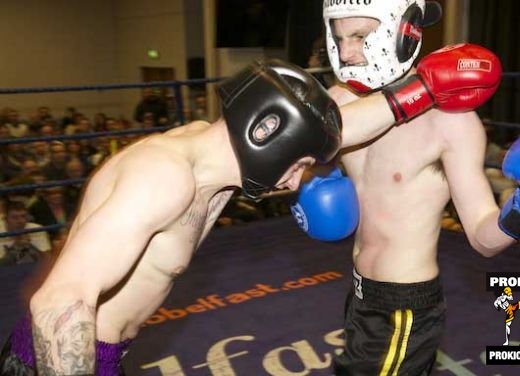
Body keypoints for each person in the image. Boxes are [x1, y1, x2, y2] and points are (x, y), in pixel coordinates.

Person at [0, 59, 342, 375]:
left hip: (102, 354)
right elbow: (59, 301)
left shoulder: (211, 157)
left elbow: (346, 127)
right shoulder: (166, 177)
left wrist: (395, 101)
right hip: (57, 358)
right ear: (265, 132)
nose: (295, 181)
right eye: (297, 164)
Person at [291, 1, 520, 374]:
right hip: (358, 292)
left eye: (360, 36)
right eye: (339, 38)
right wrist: (308, 180)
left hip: (405, 307)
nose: (347, 52)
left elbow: (484, 239)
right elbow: (303, 169)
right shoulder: (341, 103)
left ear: (404, 32)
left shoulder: (449, 123)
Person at [0, 200, 52, 266]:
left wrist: (30, 246)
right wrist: (16, 247)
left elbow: (48, 260)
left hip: (34, 270)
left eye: (23, 216)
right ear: (5, 219)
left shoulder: (37, 229)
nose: (20, 221)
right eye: (15, 217)